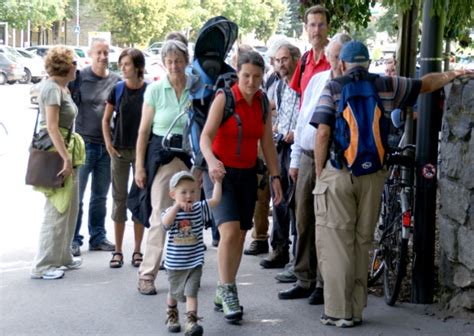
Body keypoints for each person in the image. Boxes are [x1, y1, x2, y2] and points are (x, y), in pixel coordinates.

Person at [311, 40, 472, 328]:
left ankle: (338, 311)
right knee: (362, 241)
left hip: (339, 172)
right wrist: (453, 74)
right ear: (368, 63)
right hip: (373, 174)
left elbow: (322, 132)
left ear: (344, 64)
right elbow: (425, 84)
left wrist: (321, 172)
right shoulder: (387, 85)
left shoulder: (334, 87)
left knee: (336, 242)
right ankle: (357, 310)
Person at [200, 50, 283, 323]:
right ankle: (229, 291)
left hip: (248, 175)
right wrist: (211, 162)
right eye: (246, 75)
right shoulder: (225, 98)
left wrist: (275, 178)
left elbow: (268, 144)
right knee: (229, 233)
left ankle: (224, 287)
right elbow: (205, 137)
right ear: (238, 73)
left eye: (257, 77)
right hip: (220, 175)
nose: (251, 81)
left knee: (241, 235)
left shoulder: (262, 102)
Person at [278, 33, 351, 302]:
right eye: (333, 57)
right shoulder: (318, 80)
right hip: (308, 156)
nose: (335, 62)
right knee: (304, 219)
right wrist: (295, 159)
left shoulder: (349, 86)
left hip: (333, 158)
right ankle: (303, 278)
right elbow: (301, 121)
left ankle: (322, 283)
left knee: (327, 224)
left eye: (340, 57)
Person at [132, 40, 192, 295]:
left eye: (178, 60)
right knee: (159, 214)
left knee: (188, 217)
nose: (174, 66)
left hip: (189, 156)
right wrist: (139, 167)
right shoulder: (155, 90)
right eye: (169, 61)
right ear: (163, 63)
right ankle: (147, 275)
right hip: (161, 153)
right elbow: (144, 130)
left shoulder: (196, 88)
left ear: (186, 61)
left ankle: (187, 271)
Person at [30, 46, 86, 280]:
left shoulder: (62, 88)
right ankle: (43, 265)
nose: (77, 67)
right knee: (57, 209)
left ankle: (62, 256)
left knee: (69, 207)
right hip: (57, 152)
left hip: (65, 149)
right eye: (74, 63)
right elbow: (52, 127)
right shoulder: (52, 89)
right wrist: (65, 158)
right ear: (65, 66)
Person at [70, 38, 120, 256]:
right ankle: (73, 240)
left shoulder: (117, 82)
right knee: (77, 196)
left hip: (107, 147)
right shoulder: (80, 78)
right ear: (90, 54)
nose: (103, 56)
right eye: (98, 52)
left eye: (106, 52)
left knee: (100, 196)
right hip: (83, 145)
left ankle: (98, 237)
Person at [102, 48, 147, 269]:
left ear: (138, 67)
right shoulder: (118, 89)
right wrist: (109, 144)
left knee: (139, 200)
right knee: (119, 200)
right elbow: (106, 119)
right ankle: (118, 250)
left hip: (142, 154)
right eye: (121, 63)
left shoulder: (149, 91)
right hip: (119, 151)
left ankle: (138, 250)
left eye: (127, 64)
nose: (122, 67)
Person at [162, 171, 222, 335]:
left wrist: (217, 182)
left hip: (195, 262)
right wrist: (176, 207)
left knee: (191, 292)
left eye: (193, 191)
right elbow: (165, 224)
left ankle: (191, 323)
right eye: (183, 192)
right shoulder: (169, 212)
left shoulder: (198, 208)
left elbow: (215, 200)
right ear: (173, 195)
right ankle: (172, 315)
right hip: (175, 263)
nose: (189, 195)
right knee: (173, 292)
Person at [260, 43, 300, 269]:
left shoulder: (304, 82)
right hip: (282, 146)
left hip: (299, 147)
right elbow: (272, 108)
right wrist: (275, 128)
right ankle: (280, 249)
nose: (281, 64)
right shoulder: (278, 85)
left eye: (284, 59)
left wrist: (297, 132)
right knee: (279, 198)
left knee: (296, 202)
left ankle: (297, 256)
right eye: (277, 60)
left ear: (295, 59)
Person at [289, 5, 331, 103]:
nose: (316, 30)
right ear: (306, 28)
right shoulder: (304, 60)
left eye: (321, 25)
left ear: (328, 27)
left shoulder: (336, 60)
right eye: (312, 25)